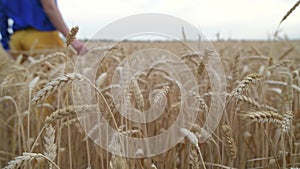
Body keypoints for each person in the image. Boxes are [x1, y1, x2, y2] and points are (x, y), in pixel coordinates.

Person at [0, 0, 85, 54]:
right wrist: (72, 40)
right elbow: (49, 8)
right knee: (58, 77)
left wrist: (6, 45)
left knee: (27, 79)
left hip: (16, 39)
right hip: (41, 37)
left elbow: (2, 17)